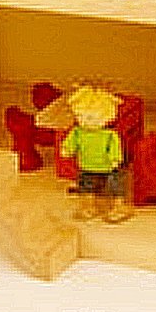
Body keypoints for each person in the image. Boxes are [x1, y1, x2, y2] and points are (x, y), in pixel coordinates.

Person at [60, 85, 132, 223]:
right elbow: (70, 143)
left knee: (116, 182)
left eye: (91, 118)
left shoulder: (109, 134)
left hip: (108, 167)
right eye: (80, 116)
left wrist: (115, 159)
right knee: (86, 185)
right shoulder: (77, 132)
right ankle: (88, 206)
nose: (85, 121)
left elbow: (114, 147)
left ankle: (119, 206)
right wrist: (67, 149)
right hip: (86, 166)